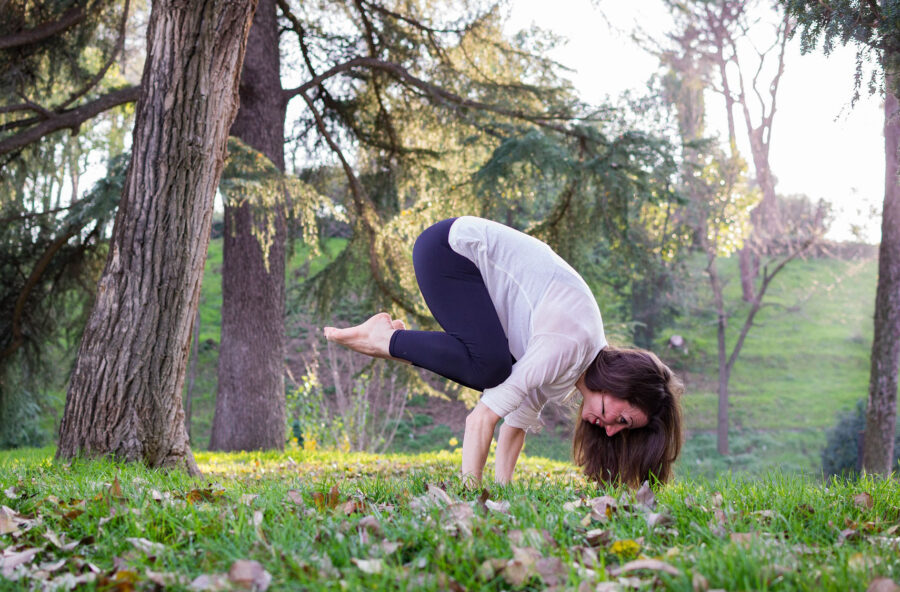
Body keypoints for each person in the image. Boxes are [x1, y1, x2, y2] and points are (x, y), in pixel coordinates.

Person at [324, 216, 683, 487]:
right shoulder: (568, 345)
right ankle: (384, 339)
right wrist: (471, 494)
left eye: (622, 431)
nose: (611, 432)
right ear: (623, 383)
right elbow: (481, 419)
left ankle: (388, 340)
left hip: (458, 260)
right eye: (623, 420)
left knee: (498, 368)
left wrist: (502, 489)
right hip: (449, 253)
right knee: (491, 369)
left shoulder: (573, 364)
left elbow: (516, 422)